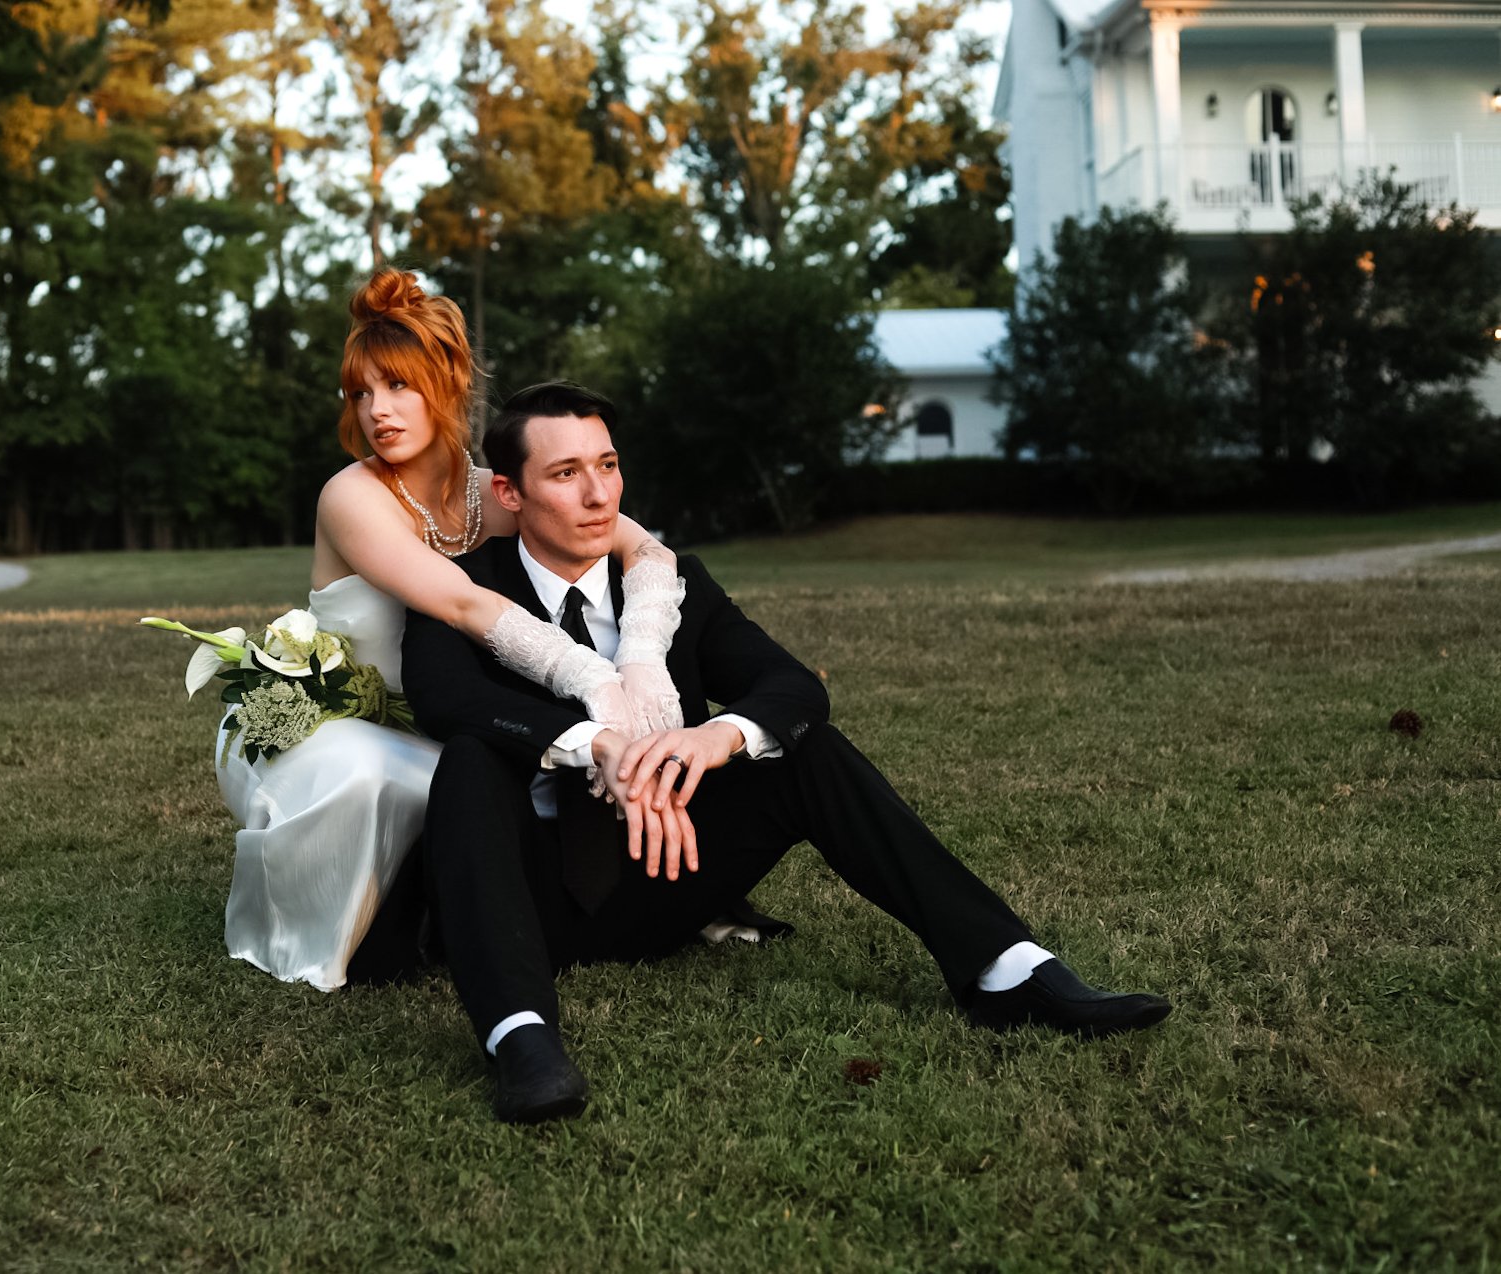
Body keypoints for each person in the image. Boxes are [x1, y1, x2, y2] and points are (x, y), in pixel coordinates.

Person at [401, 381, 1173, 1124]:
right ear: (509, 493)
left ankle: (1007, 970)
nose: (599, 495)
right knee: (469, 759)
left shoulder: (667, 584)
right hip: (526, 902)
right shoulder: (466, 589)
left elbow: (790, 685)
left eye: (606, 466)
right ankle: (522, 1039)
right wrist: (587, 742)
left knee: (804, 749)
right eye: (565, 474)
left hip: (668, 876)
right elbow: (443, 697)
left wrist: (715, 736)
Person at [215, 269, 698, 992]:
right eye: (361, 392)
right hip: (338, 728)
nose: (378, 410)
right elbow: (463, 605)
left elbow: (646, 549)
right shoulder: (351, 496)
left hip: (455, 717)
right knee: (410, 771)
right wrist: (593, 679)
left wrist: (642, 660)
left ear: (449, 381)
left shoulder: (497, 492)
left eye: (399, 386)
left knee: (514, 762)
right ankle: (363, 931)